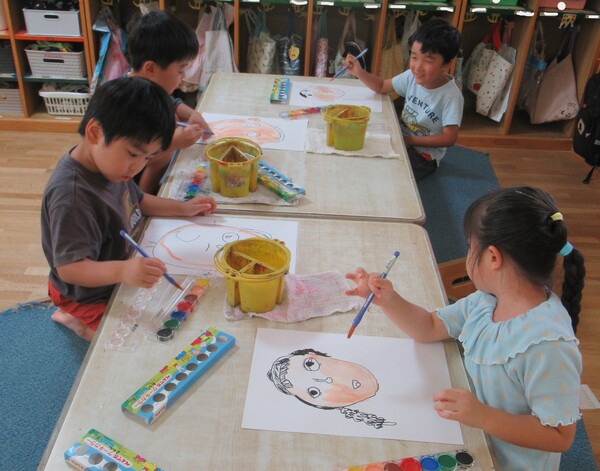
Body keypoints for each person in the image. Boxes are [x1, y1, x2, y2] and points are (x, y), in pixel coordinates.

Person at [345, 186, 586, 470]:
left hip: (506, 461)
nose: (468, 254)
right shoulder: (486, 301)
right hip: (469, 433)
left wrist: (484, 416)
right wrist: (389, 300)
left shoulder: (548, 346)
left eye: (471, 248)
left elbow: (560, 436)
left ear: (493, 257)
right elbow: (429, 327)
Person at [41, 77, 217, 342]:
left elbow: (139, 200)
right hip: (86, 294)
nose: (138, 166)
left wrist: (182, 208)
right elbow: (70, 269)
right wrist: (123, 271)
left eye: (148, 157)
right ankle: (75, 320)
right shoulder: (72, 198)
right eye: (134, 154)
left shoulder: (111, 167)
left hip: (118, 271)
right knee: (132, 341)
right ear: (95, 133)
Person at [342, 17, 463, 180]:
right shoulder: (411, 77)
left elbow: (449, 138)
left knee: (385, 173)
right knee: (360, 145)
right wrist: (359, 72)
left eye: (428, 61)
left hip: (423, 156)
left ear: (446, 64)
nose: (418, 67)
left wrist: (410, 140)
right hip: (400, 138)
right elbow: (382, 86)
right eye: (414, 57)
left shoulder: (451, 96)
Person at [127, 11, 213, 194]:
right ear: (151, 69)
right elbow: (135, 159)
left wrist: (190, 113)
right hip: (134, 190)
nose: (183, 77)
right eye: (180, 71)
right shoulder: (129, 104)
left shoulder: (148, 86)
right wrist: (173, 143)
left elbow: (171, 101)